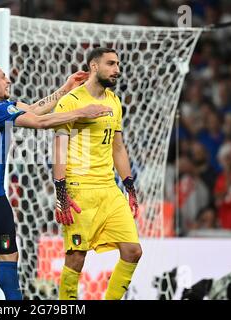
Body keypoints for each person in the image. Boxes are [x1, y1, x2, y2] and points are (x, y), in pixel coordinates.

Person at [0, 62, 111, 300]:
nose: (8, 80)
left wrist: (66, 88)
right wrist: (82, 112)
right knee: (9, 256)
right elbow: (39, 123)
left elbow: (32, 109)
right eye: (2, 76)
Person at [52, 47, 142, 300]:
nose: (117, 70)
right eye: (111, 64)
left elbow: (118, 147)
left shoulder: (114, 101)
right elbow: (59, 147)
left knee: (133, 251)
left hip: (109, 189)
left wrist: (130, 187)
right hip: (80, 190)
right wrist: (61, 191)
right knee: (76, 257)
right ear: (93, 66)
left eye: (118, 64)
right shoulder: (71, 101)